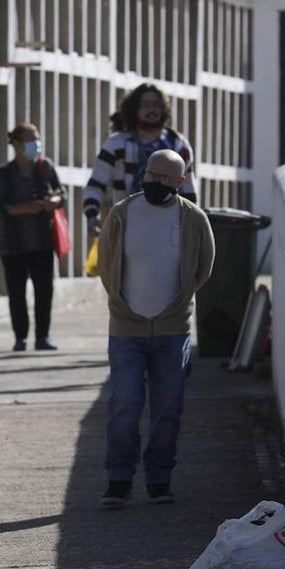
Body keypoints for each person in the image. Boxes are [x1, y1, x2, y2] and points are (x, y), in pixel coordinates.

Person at [96, 149, 215, 507]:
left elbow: (203, 268)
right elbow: (105, 263)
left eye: (165, 178)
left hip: (173, 331)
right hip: (126, 330)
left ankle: (159, 480)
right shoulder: (122, 213)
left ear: (180, 182)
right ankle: (119, 480)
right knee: (124, 404)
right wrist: (122, 305)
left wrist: (177, 305)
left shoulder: (192, 218)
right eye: (151, 174)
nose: (155, 182)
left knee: (167, 409)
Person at [0, 122, 65, 352]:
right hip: (13, 243)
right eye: (30, 140)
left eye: (36, 139)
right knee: (16, 292)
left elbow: (62, 194)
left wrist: (54, 201)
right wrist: (22, 208)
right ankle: (20, 337)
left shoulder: (45, 168)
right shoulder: (4, 174)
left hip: (42, 240)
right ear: (17, 144)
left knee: (44, 290)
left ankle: (43, 336)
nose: (35, 144)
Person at [84, 83, 198, 236]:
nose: (152, 109)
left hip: (168, 228)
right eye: (146, 104)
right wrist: (92, 216)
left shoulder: (178, 145)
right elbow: (96, 185)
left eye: (157, 104)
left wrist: (191, 223)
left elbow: (188, 189)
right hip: (126, 227)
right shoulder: (117, 144)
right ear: (134, 108)